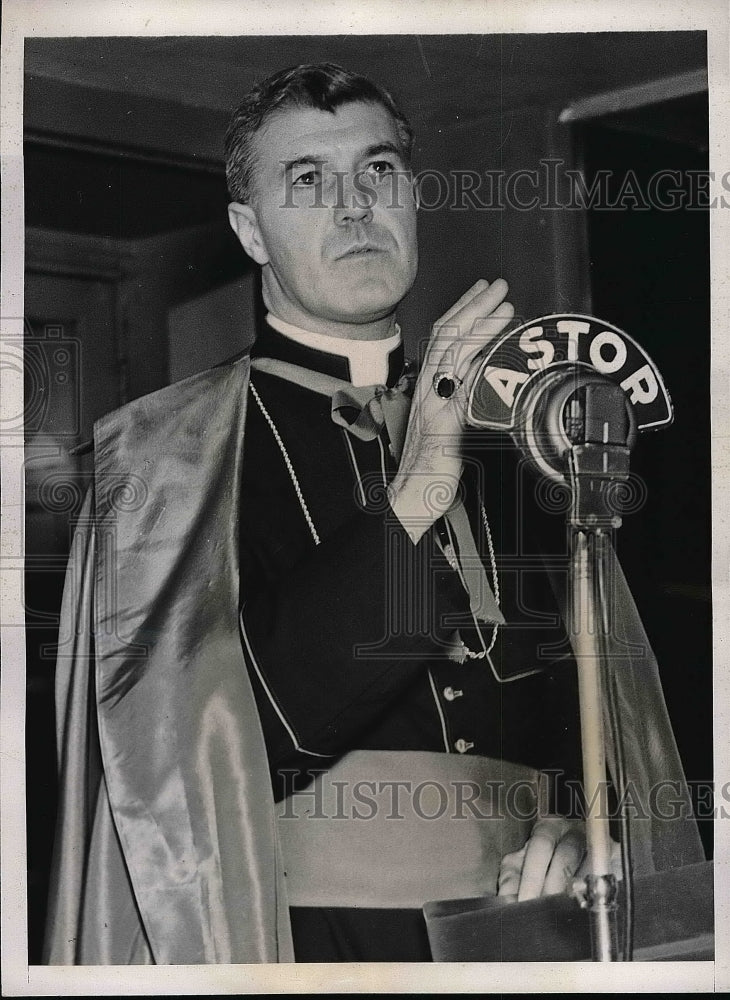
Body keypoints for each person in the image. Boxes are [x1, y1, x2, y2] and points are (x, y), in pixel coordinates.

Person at [43, 62, 702, 965]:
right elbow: (199, 758)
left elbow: (608, 735)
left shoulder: (525, 442)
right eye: (308, 179)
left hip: (530, 942)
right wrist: (420, 484)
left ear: (413, 198)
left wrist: (590, 838)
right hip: (303, 946)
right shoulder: (165, 462)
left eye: (379, 170)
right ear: (251, 230)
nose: (355, 205)